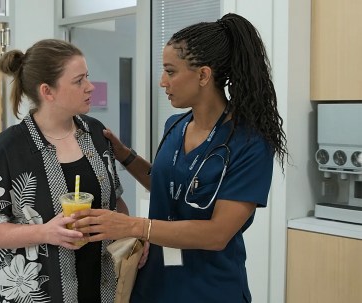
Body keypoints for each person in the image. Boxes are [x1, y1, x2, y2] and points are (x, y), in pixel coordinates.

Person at [73, 13, 288, 303]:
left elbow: (217, 234)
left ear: (203, 75)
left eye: (170, 71)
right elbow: (170, 186)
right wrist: (125, 156)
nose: (162, 82)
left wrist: (132, 225)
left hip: (209, 288)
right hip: (154, 283)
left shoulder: (249, 143)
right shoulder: (175, 125)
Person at [0, 38, 128, 303]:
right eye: (79, 81)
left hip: (98, 288)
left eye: (87, 77)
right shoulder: (5, 150)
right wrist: (46, 232)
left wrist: (131, 233)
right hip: (35, 294)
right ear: (48, 91)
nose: (90, 87)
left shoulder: (96, 135)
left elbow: (115, 201)